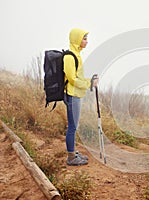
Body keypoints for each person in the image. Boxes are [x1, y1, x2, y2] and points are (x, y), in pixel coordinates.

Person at [63, 28, 98, 166]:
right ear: (77, 39)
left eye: (86, 38)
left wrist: (90, 80)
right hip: (72, 95)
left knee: (74, 125)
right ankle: (71, 157)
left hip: (76, 95)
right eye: (84, 38)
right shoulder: (70, 57)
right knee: (73, 126)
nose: (86, 41)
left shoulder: (77, 55)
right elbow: (72, 79)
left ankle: (73, 152)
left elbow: (79, 77)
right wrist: (89, 83)